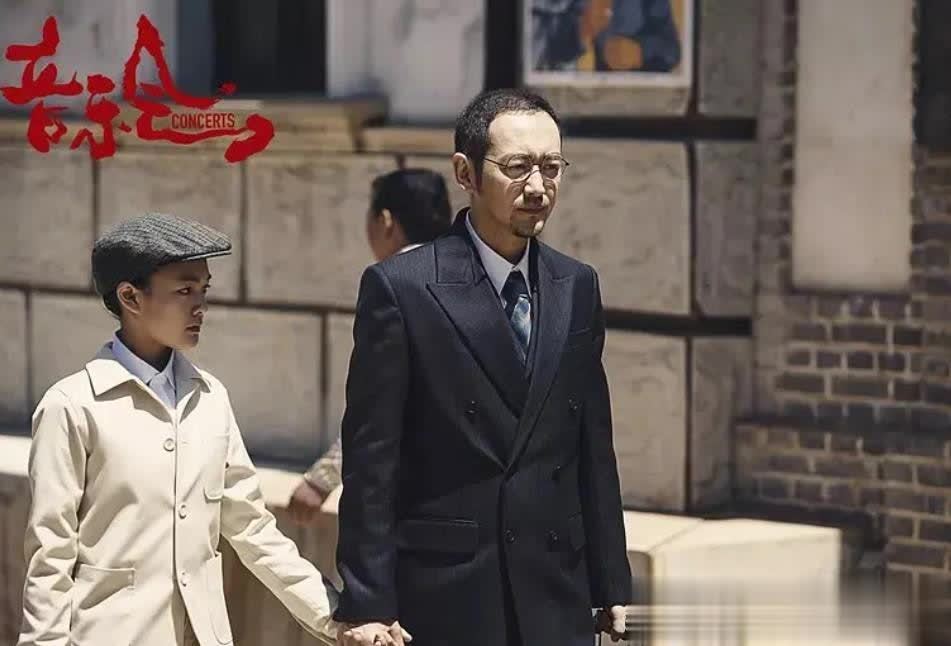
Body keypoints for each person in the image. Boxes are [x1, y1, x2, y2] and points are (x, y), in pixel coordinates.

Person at [17, 213, 407, 646]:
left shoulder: (209, 398)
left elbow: (254, 530)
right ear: (130, 297)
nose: (200, 306)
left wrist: (338, 618)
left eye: (204, 290)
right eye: (184, 291)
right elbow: (50, 559)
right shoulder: (72, 406)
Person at [334, 89, 632, 646]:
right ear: (465, 173)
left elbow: (592, 444)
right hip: (449, 592)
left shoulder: (577, 284)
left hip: (556, 589)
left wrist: (610, 579)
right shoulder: (402, 288)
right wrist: (367, 603)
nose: (538, 187)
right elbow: (372, 461)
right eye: (517, 168)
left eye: (551, 167)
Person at [287, 169, 454, 524]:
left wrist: (322, 478)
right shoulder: (481, 280)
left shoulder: (392, 284)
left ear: (386, 221)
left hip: (415, 504)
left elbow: (376, 401)